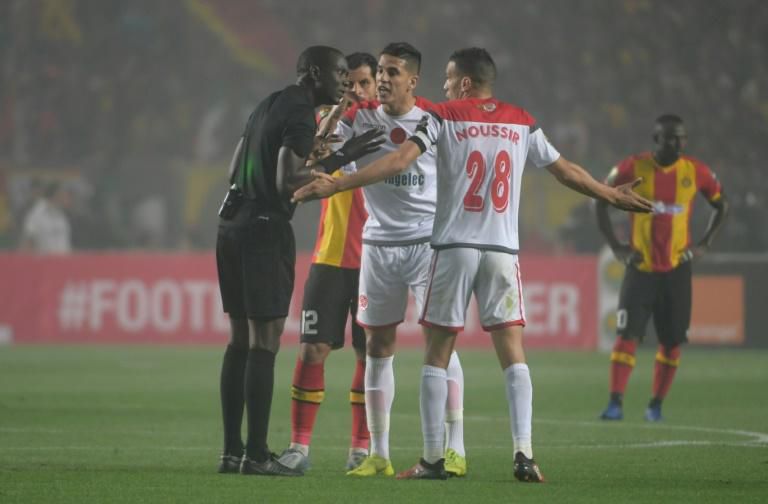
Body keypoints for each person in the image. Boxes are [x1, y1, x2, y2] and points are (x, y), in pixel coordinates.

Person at [293, 47, 653, 482]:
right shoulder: (520, 118)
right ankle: (512, 453)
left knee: (439, 350)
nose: (443, 86)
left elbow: (398, 160)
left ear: (456, 82)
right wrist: (611, 194)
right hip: (474, 247)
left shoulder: (440, 115)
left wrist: (338, 185)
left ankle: (440, 455)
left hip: (443, 243)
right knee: (491, 352)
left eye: (446, 78)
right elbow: (565, 171)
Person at [288, 42, 468, 479]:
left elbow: (456, 166)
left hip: (427, 244)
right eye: (377, 74)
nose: (381, 81)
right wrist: (341, 109)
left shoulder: (434, 117)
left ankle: (456, 447)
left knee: (440, 342)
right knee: (376, 349)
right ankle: (378, 454)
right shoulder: (358, 117)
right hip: (377, 246)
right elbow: (317, 154)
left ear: (411, 79)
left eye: (389, 73)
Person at [214, 45, 383, 477]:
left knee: (238, 341)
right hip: (263, 229)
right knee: (263, 343)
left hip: (229, 224)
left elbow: (236, 165)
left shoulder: (267, 103)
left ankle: (232, 452)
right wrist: (342, 158)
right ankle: (256, 455)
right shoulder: (299, 112)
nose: (344, 82)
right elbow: (286, 180)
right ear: (312, 74)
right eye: (339, 73)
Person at [276, 52, 378, 474]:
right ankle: (299, 448)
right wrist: (337, 113)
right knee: (312, 348)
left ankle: (360, 449)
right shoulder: (327, 120)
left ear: (378, 85)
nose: (355, 90)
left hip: (377, 258)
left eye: (364, 83)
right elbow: (308, 163)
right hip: (331, 256)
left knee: (369, 354)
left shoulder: (396, 127)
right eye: (348, 83)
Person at [597, 114, 728, 422]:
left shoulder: (695, 171)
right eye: (671, 137)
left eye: (681, 137)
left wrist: (705, 244)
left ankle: (655, 405)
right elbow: (600, 199)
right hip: (640, 267)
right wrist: (617, 247)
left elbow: (722, 205)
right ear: (656, 139)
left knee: (671, 343)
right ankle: (615, 403)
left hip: (676, 270)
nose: (678, 143)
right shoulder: (633, 167)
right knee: (627, 336)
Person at [18, 181, 72, 254]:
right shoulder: (36, 214)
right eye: (65, 195)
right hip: (44, 263)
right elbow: (27, 242)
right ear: (57, 195)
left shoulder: (62, 215)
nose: (68, 198)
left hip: (63, 263)